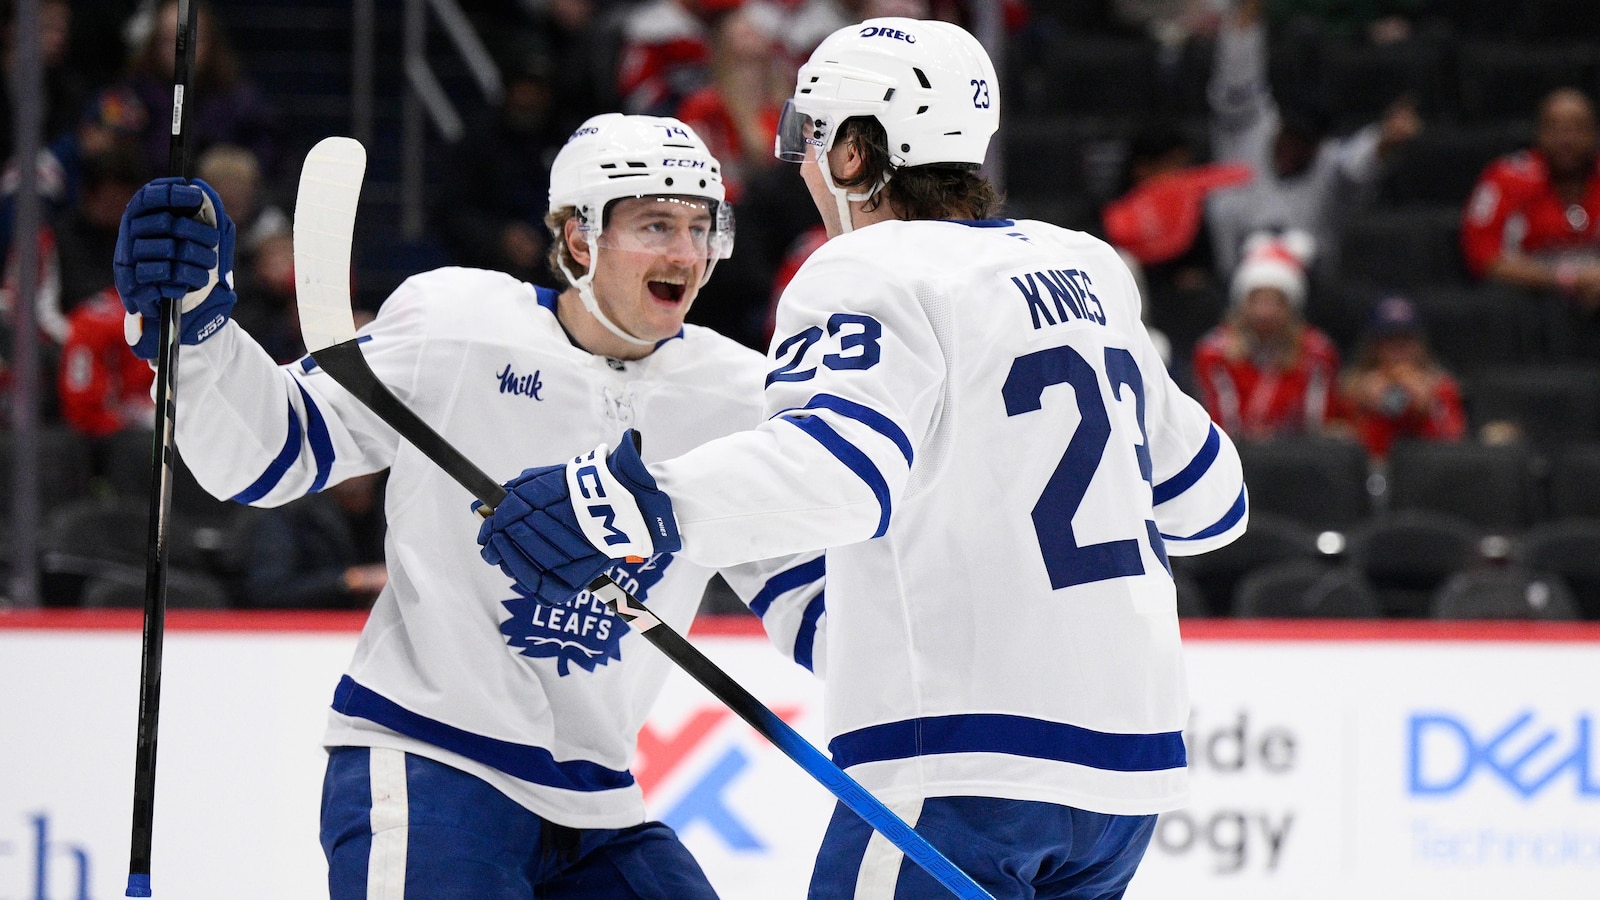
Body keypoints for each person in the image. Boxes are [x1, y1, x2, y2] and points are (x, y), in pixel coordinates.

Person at [476, 18, 1248, 898]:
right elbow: (1210, 502)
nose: (800, 163)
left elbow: (835, 478)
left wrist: (619, 507)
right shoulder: (1086, 267)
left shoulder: (868, 268)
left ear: (854, 152)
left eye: (808, 136)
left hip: (963, 768)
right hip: (1126, 779)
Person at [113, 113, 825, 898]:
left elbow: (815, 603)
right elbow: (268, 453)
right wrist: (202, 329)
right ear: (580, 238)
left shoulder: (738, 397)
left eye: (702, 227)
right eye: (656, 224)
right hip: (431, 759)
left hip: (597, 802)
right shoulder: (460, 327)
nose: (686, 255)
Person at [1205, 0, 1420, 282]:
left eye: (1303, 144)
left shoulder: (1329, 162)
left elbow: (1358, 162)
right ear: (1279, 125)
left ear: (1318, 144)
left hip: (1306, 287)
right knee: (1221, 203)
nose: (1291, 150)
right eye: (1288, 138)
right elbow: (1237, 77)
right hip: (1229, 277)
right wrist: (1249, 10)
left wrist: (1387, 141)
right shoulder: (1248, 128)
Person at [1461, 87, 1600, 347]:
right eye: (1555, 128)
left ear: (1594, 133)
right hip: (1528, 311)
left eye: (1578, 128)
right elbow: (1485, 258)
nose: (1566, 139)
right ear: (1539, 133)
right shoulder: (1506, 177)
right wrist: (1567, 279)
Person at [1191, 230, 1343, 440]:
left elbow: (1318, 424)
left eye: (1275, 302)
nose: (1265, 312)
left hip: (1298, 457)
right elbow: (1220, 423)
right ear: (1242, 304)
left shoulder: (1317, 352)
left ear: (1292, 307)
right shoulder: (1214, 352)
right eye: (1257, 301)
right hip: (1235, 453)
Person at [1339, 294, 1465, 459]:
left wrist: (1430, 407)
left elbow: (1455, 444)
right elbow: (1335, 442)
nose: (1399, 348)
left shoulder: (1441, 386)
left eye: (1406, 339)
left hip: (1427, 468)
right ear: (1375, 346)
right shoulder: (1353, 387)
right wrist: (1361, 409)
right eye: (1390, 339)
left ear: (1420, 344)